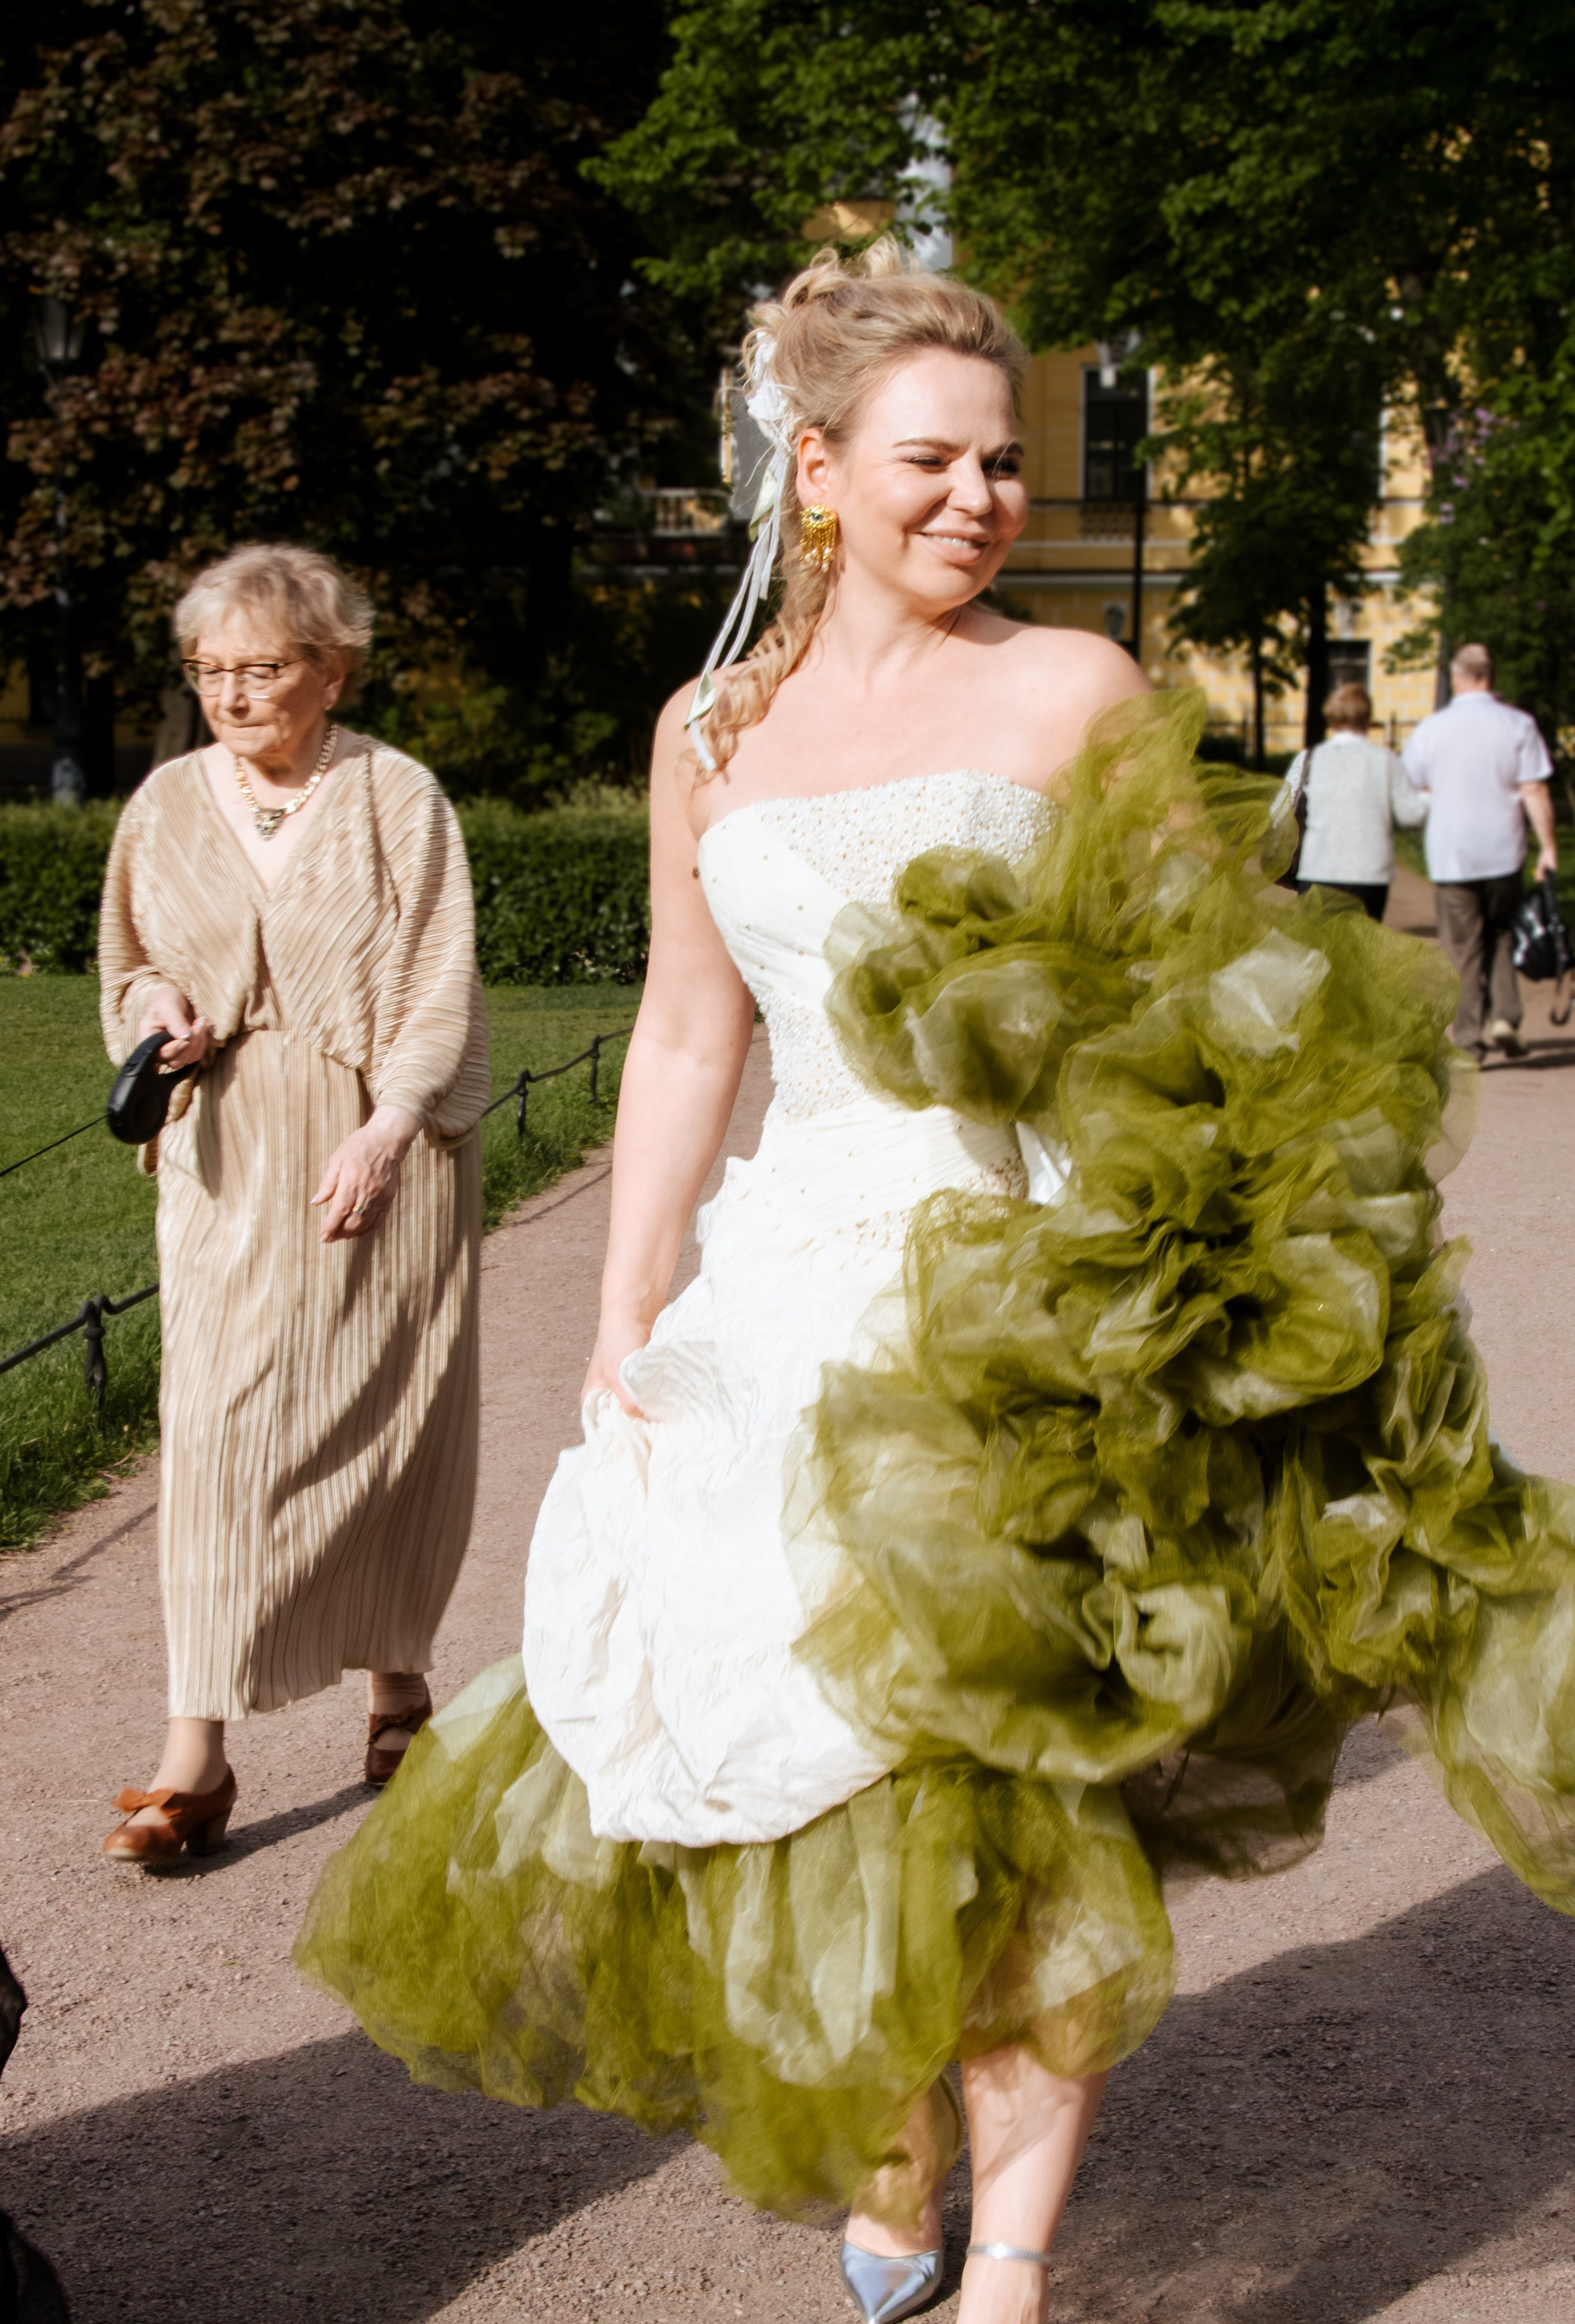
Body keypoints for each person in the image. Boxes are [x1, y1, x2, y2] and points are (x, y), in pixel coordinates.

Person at [298, 249, 1575, 2324]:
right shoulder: (709, 729)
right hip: (785, 1296)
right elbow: (690, 1036)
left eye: (1005, 463)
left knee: (1016, 1798)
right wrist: (623, 1317)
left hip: (1037, 1295)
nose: (980, 495)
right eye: (931, 458)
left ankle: (1017, 2282)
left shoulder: (1074, 693)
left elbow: (1223, 1000)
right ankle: (897, 2143)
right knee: (809, 1765)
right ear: (817, 470)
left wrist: (1227, 1271)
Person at [98, 543, 488, 1866]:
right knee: (213, 1439)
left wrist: (389, 1127)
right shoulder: (160, 803)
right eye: (208, 671)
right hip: (226, 1157)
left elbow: (442, 979)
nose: (231, 694)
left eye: (260, 669)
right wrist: (158, 1014)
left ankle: (395, 1684)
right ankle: (193, 1758)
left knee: (387, 1425)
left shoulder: (397, 795)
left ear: (331, 670)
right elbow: (133, 957)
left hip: (382, 1150)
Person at [1402, 642, 1558, 1061]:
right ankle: (1506, 1016)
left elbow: (1412, 787)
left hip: (1453, 854)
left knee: (1464, 947)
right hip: (1503, 850)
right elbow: (1535, 789)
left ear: (1456, 677)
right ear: (1491, 676)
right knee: (1502, 932)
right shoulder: (1518, 724)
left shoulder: (1432, 728)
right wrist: (1548, 848)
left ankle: (1469, 1041)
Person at [1285, 679, 1426, 920]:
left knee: (1319, 948)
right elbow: (1410, 814)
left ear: (1331, 717)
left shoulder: (1309, 760)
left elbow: (1282, 810)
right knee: (1360, 952)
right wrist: (1428, 797)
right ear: (1366, 719)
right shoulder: (1385, 761)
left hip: (1319, 868)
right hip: (1369, 874)